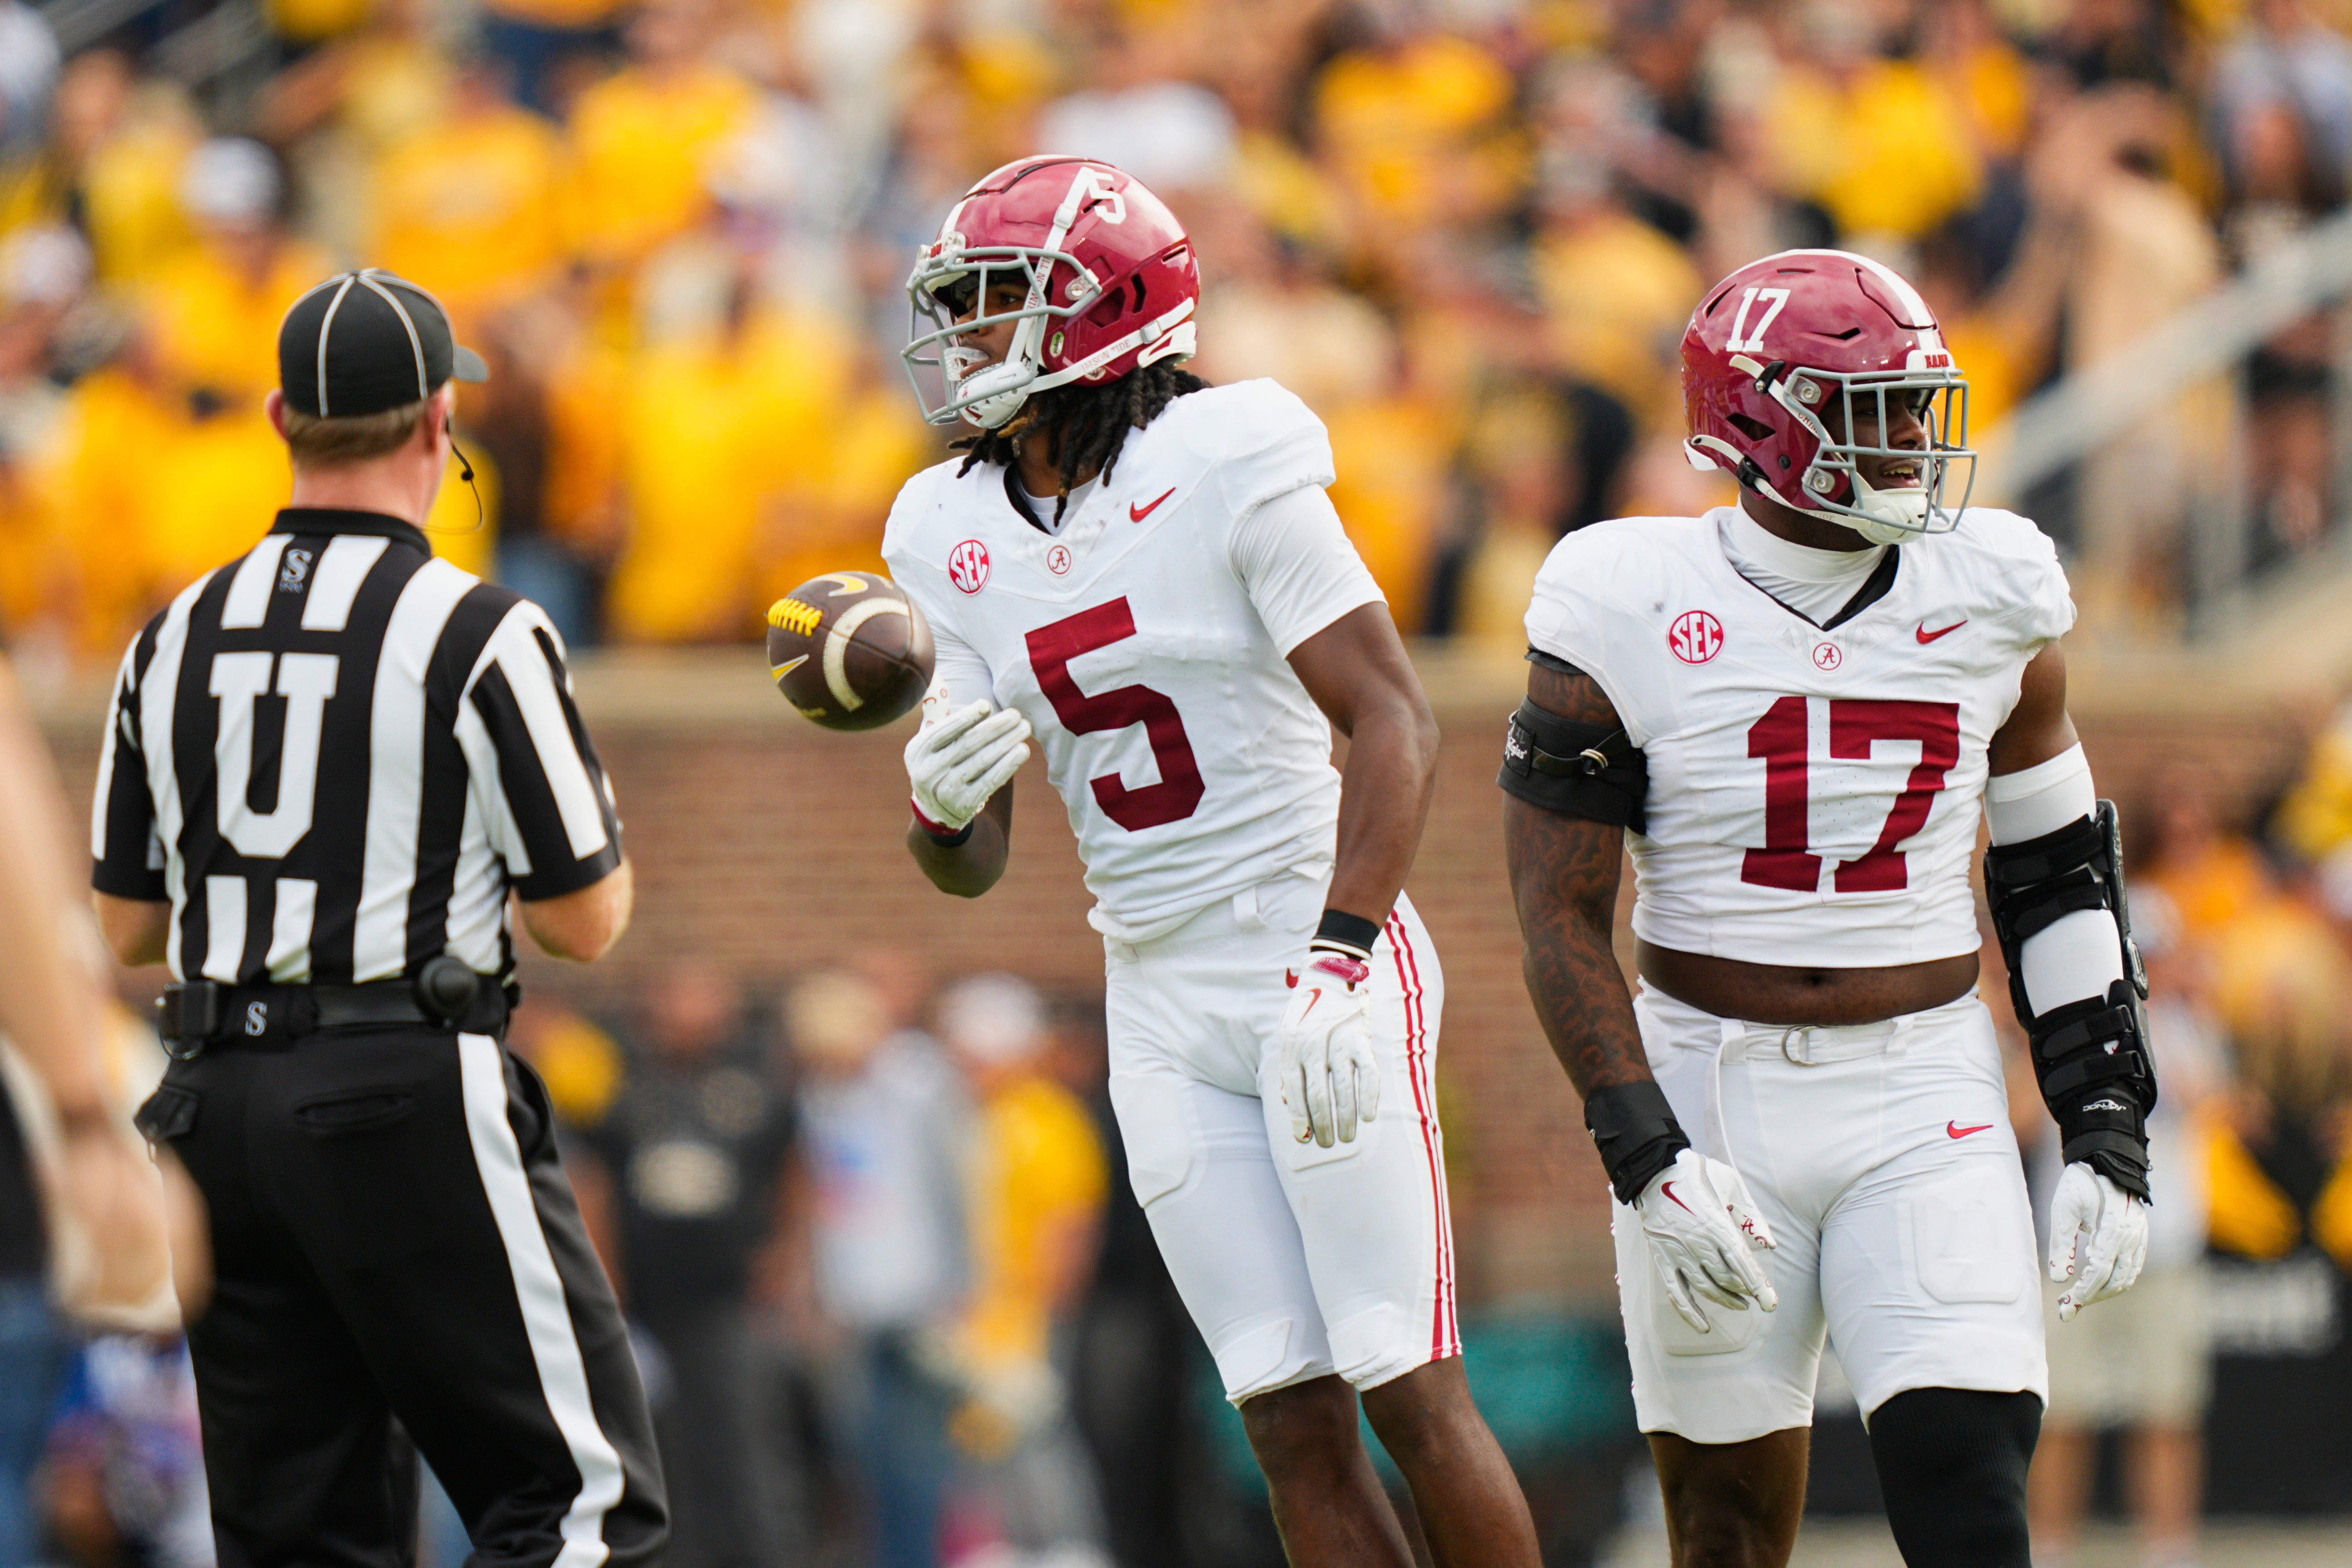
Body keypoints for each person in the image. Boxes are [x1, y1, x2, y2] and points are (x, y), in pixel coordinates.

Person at [882, 156, 1540, 1567]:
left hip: (1312, 941)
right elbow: (967, 866)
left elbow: (1390, 714)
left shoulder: (1226, 452)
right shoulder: (940, 528)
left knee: (1406, 1381)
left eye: (1002, 305)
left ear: (1101, 316)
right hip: (1155, 987)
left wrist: (1340, 950)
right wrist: (941, 809)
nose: (972, 340)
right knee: (1282, 1416)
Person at [1500, 249, 2157, 1568]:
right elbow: (1556, 914)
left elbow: (2054, 874)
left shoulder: (1992, 589)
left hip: (1923, 1087)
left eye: (1919, 406)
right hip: (1709, 1080)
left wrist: (2102, 1114)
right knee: (1728, 1533)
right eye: (1875, 410)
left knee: (1967, 1490)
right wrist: (1646, 1151)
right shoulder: (1622, 596)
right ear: (1755, 418)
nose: (1914, 441)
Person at [88, 269, 666, 1568]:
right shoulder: (479, 625)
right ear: (438, 419)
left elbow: (128, 925)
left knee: (299, 1540)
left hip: (211, 1102)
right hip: (402, 1082)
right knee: (580, 1507)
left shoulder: (170, 631)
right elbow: (582, 920)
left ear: (281, 417)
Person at [569, 961, 794, 1568]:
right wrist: (605, 1284)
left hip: (726, 1298)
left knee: (742, 1441)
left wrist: (786, 1253)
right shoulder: (620, 1088)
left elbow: (795, 1168)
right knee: (660, 1450)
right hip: (645, 1302)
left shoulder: (754, 1087)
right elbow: (593, 1185)